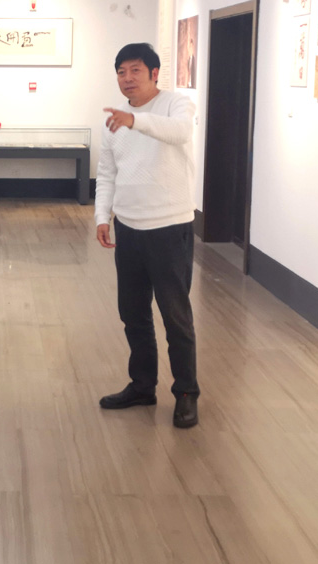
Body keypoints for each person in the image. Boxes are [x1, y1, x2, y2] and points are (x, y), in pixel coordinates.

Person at [95, 43, 200, 429]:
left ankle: (186, 393)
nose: (127, 78)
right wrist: (102, 216)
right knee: (133, 314)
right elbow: (107, 172)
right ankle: (142, 386)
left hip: (169, 227)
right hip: (129, 228)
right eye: (121, 72)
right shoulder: (114, 120)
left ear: (155, 73)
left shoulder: (176, 104)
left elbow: (180, 132)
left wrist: (135, 121)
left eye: (135, 70)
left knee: (175, 316)